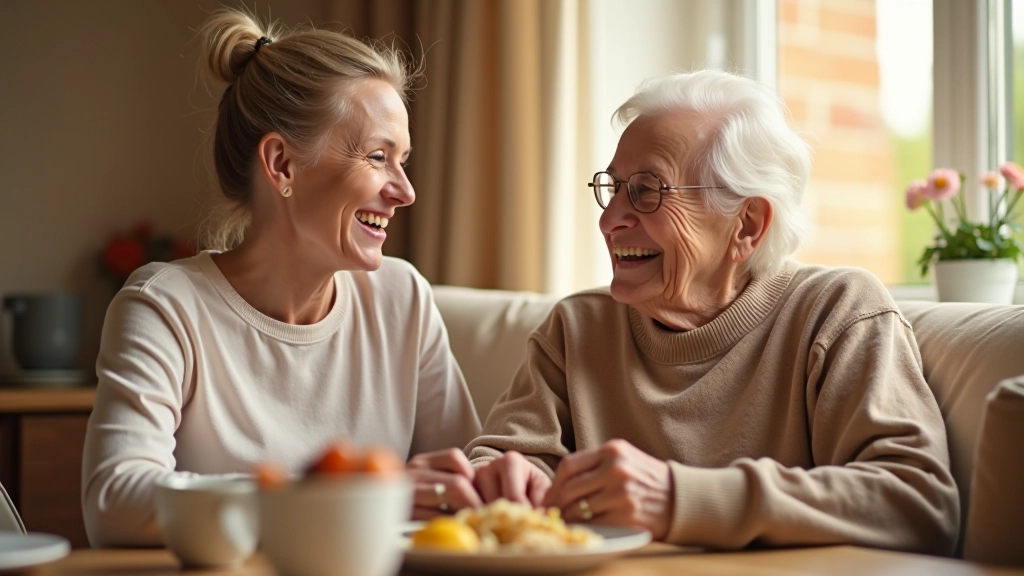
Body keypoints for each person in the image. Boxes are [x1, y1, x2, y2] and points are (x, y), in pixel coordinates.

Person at [415, 70, 959, 554]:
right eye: (614, 189)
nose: (610, 222)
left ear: (747, 224)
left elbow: (916, 500)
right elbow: (512, 458)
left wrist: (679, 499)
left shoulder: (837, 313)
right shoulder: (579, 328)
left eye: (648, 191)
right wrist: (499, 481)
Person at [81, 9, 481, 547]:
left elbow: (465, 483)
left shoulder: (402, 297)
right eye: (378, 157)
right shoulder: (165, 308)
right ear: (282, 164)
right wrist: (346, 499)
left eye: (402, 160)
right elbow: (114, 501)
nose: (405, 191)